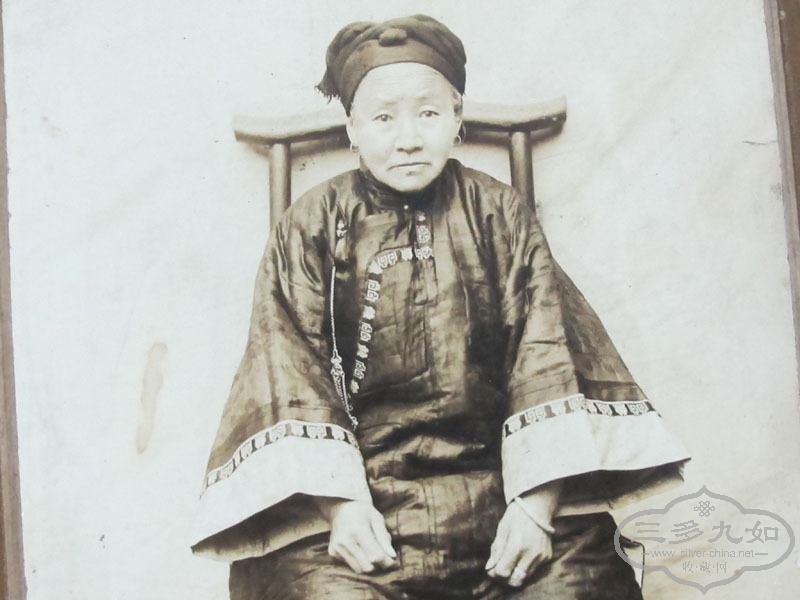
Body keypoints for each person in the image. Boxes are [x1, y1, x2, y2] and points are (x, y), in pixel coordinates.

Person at [192, 14, 690, 599]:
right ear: (352, 127)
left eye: (428, 113)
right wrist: (341, 508)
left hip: (501, 491)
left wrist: (534, 508)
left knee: (580, 583)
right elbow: (286, 370)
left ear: (456, 118)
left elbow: (547, 354)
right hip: (360, 501)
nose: (407, 138)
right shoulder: (312, 224)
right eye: (383, 118)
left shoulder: (499, 213)